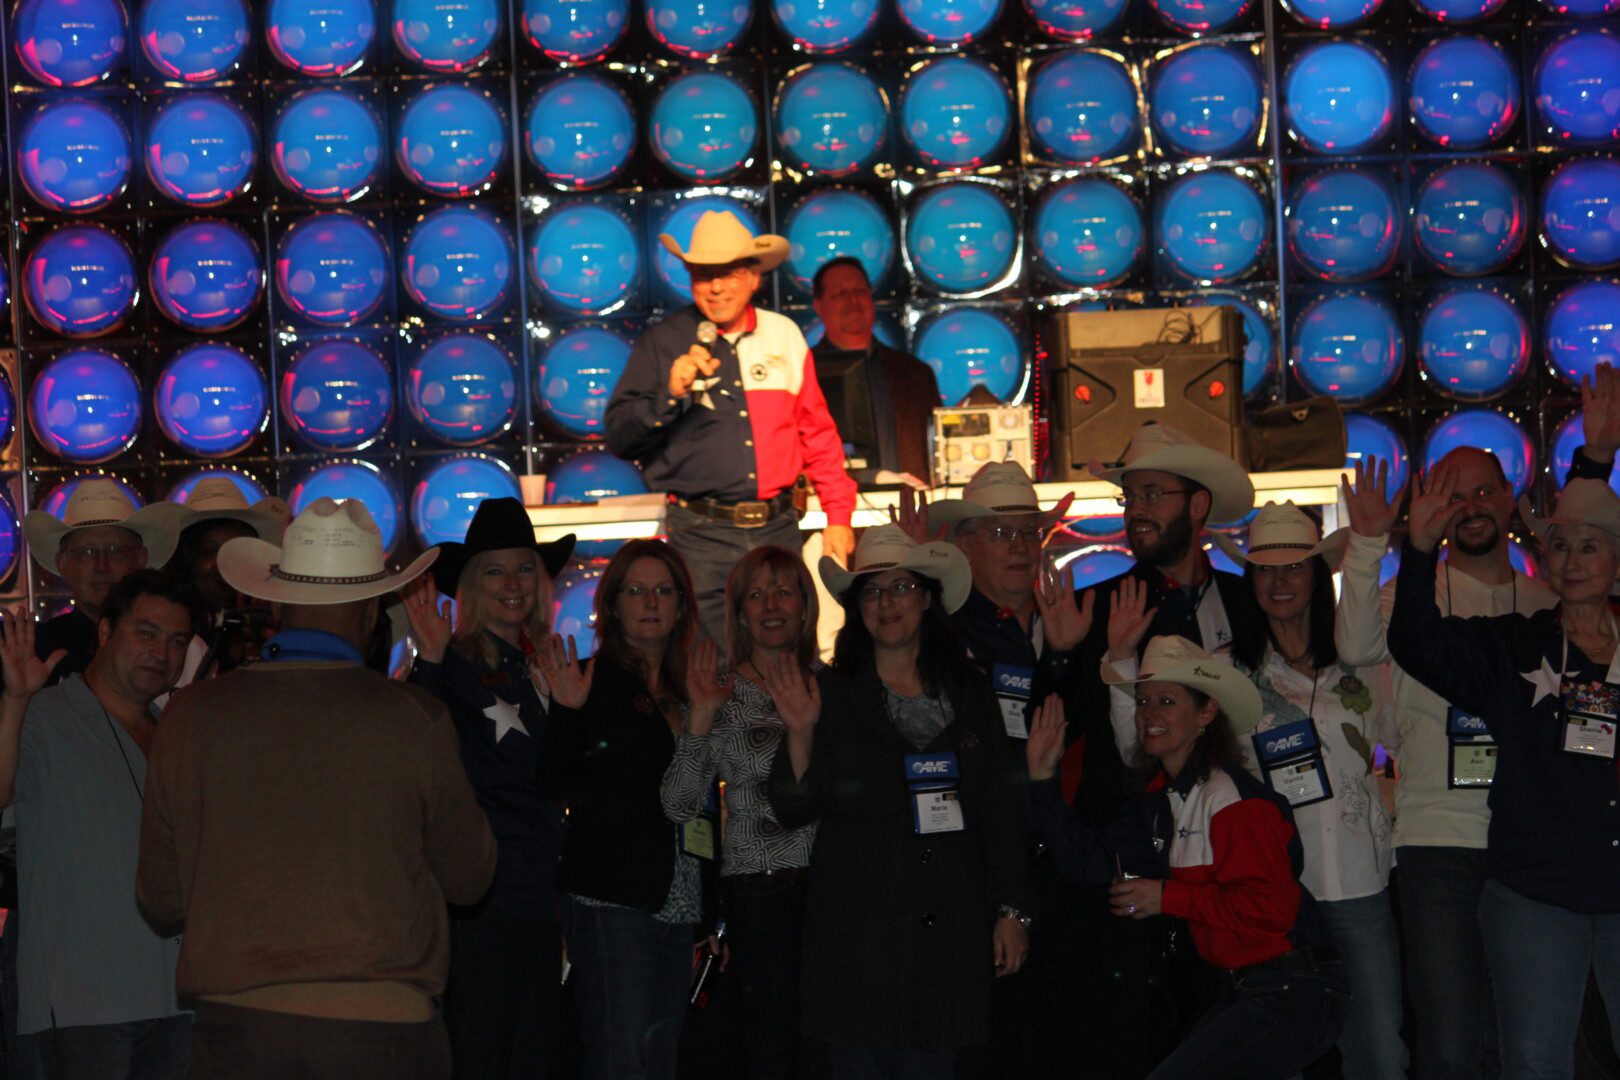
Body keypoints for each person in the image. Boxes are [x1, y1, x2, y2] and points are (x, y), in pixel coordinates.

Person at [136, 498, 497, 1080]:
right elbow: (469, 875)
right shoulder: (415, 718)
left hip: (239, 1034)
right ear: (371, 610)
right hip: (384, 1035)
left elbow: (160, 897)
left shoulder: (191, 717)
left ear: (276, 601)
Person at [1337, 369, 1620, 1080]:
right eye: (1452, 494)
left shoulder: (1542, 606)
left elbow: (1593, 538)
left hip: (1543, 851)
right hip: (1444, 844)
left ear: (1512, 502)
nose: (1470, 506)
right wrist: (1382, 543)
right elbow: (1360, 648)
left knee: (1546, 1043)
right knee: (1460, 1045)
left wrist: (1597, 458)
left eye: (1484, 492)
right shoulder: (1417, 602)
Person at [766, 525, 1034, 1078]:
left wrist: (1011, 911)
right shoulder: (829, 694)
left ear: (928, 598)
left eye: (900, 588)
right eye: (871, 591)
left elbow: (998, 812)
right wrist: (798, 733)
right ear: (856, 607)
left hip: (948, 940)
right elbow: (794, 806)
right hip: (858, 945)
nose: (886, 603)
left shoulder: (970, 691)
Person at [1027, 635, 1348, 1080]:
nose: (1149, 714)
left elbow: (1269, 910)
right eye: (1142, 702)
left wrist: (1168, 896)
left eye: (1165, 700)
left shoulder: (1232, 800)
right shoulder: (1164, 803)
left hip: (1290, 986)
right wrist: (1043, 778)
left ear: (1206, 712)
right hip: (1252, 988)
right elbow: (1083, 861)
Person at [1051, 422, 1260, 1075]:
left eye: (1152, 494)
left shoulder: (1250, 602)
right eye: (1129, 497)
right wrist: (1062, 656)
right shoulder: (1091, 607)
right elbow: (1055, 730)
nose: (1136, 509)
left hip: (1228, 867)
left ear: (1197, 507)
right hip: (1133, 879)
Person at [1206, 503, 1403, 1080]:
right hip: (1272, 898)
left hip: (1360, 882)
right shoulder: (1226, 673)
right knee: (1279, 1060)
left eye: (1294, 566)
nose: (1279, 581)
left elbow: (1406, 740)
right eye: (1265, 570)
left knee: (1382, 1055)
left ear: (1319, 574)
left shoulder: (1362, 661)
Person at [604, 209, 857, 643]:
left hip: (778, 529)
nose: (715, 286)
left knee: (790, 657)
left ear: (754, 277)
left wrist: (838, 514)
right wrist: (670, 393)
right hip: (700, 535)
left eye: (726, 273)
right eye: (704, 275)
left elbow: (816, 432)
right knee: (709, 667)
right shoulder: (663, 343)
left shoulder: (784, 335)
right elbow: (619, 436)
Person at [921, 462, 1090, 1079]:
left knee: (1058, 1042)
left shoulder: (1067, 622)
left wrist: (1068, 657)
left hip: (1061, 868)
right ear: (964, 545)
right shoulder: (939, 636)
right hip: (981, 875)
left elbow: (1076, 736)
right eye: (1000, 534)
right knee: (990, 1048)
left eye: (1028, 532)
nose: (1018, 547)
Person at [401, 497, 575, 1080]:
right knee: (483, 1055)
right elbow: (415, 760)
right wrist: (428, 660)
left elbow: (561, 781)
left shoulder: (546, 664)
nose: (513, 583)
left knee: (532, 1057)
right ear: (473, 584)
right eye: (494, 570)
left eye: (524, 567)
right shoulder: (450, 663)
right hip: (483, 903)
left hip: (540, 900)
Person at [0, 570, 199, 1079]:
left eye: (177, 641)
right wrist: (15, 701)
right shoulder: (43, 715)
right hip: (82, 1006)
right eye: (147, 632)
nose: (162, 652)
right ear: (106, 633)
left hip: (178, 997)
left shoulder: (177, 732)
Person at [537, 539, 702, 1080]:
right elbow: (557, 782)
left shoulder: (692, 687)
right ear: (612, 605)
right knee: (619, 1060)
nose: (650, 601)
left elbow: (703, 804)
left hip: (680, 904)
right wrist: (565, 713)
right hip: (611, 901)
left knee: (660, 1060)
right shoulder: (589, 679)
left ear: (681, 604)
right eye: (636, 590)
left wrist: (710, 910)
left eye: (662, 590)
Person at [659, 545, 820, 1080]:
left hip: (833, 894)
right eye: (756, 593)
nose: (771, 604)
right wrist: (700, 715)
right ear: (739, 612)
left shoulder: (835, 687)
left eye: (783, 590)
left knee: (828, 1050)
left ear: (805, 605)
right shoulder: (718, 691)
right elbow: (680, 804)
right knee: (769, 1051)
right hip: (756, 895)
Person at [19, 478, 182, 684]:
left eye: (116, 551)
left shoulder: (175, 646)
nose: (102, 566)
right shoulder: (33, 650)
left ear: (141, 559)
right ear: (63, 564)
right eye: (86, 552)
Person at [809, 256, 940, 485]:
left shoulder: (915, 373)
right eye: (840, 293)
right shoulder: (803, 372)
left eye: (859, 291)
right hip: (829, 511)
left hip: (909, 510)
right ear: (819, 306)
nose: (853, 301)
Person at [163, 477, 289, 689]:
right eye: (209, 552)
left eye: (236, 549)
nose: (224, 562)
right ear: (187, 561)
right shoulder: (168, 631)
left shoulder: (277, 625)